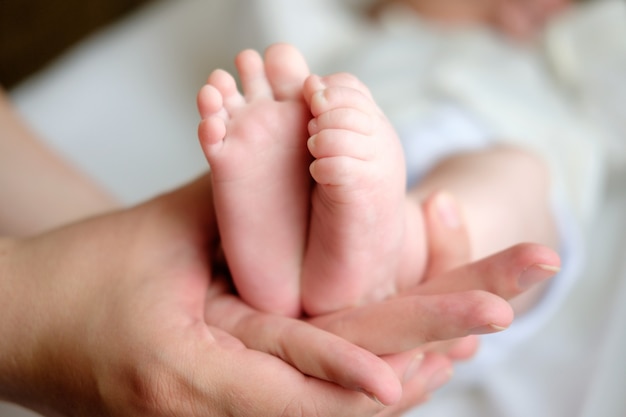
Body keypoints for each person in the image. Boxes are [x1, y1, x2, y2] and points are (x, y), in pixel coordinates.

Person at [0, 84, 561, 415]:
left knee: (517, 176)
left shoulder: (554, 80)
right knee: (503, 182)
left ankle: (369, 247)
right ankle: (372, 244)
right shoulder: (375, 32)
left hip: (401, 142)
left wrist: (81, 279)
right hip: (358, 138)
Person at [198, 42, 559, 318]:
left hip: (479, 141)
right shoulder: (370, 34)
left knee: (521, 175)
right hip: (354, 149)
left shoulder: (559, 64)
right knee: (343, 149)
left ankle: (401, 245)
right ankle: (340, 244)